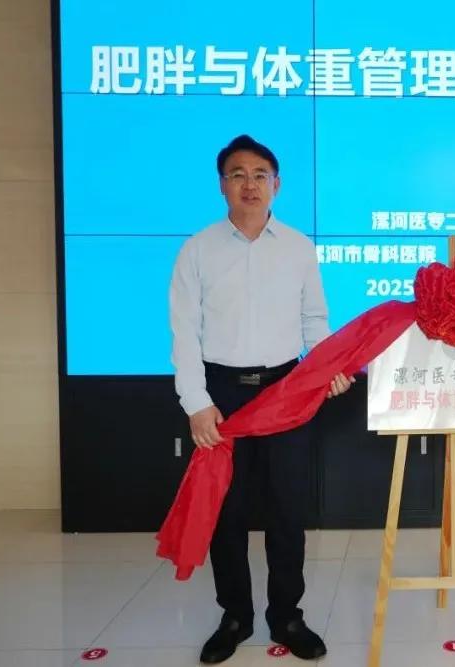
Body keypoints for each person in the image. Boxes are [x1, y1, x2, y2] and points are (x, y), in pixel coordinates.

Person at [170, 134, 353, 664]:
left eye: (259, 175)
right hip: (222, 394)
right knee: (226, 513)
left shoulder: (298, 247)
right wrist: (196, 402)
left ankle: (287, 615)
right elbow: (184, 332)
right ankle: (235, 615)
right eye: (237, 174)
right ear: (221, 185)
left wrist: (327, 369)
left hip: (285, 390)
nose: (249, 184)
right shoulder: (198, 249)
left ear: (277, 184)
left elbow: (314, 320)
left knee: (287, 510)